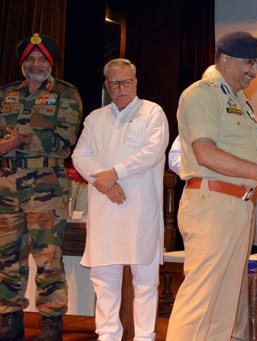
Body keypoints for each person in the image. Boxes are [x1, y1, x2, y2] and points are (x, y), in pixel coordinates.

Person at [166, 31, 257, 340]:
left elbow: (241, 153)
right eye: (250, 63)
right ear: (225, 58)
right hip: (211, 203)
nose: (255, 72)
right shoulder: (201, 93)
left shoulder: (240, 100)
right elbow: (206, 153)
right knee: (200, 302)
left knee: (224, 304)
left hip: (238, 207)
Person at [71, 58, 168, 341]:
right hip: (105, 209)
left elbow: (152, 152)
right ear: (106, 86)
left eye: (127, 81)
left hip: (140, 210)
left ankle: (144, 336)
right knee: (104, 280)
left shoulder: (152, 113)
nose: (121, 87)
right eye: (115, 83)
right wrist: (103, 183)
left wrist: (115, 173)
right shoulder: (95, 118)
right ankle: (108, 335)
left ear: (136, 82)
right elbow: (80, 156)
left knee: (146, 281)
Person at [0, 33, 83, 340]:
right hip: (7, 186)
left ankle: (50, 326)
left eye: (42, 59)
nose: (36, 64)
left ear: (51, 63)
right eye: (30, 59)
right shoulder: (6, 93)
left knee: (48, 258)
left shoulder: (65, 94)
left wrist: (21, 141)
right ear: (23, 63)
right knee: (6, 257)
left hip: (46, 185)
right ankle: (9, 321)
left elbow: (64, 143)